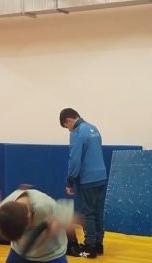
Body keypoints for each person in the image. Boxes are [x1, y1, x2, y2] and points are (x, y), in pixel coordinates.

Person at [0, 188, 74, 263]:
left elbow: (73, 219)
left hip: (51, 256)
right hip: (19, 253)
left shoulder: (46, 206)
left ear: (29, 217)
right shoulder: (5, 210)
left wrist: (59, 224)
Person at [59, 108, 106, 259]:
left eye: (66, 126)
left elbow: (74, 160)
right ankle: (98, 245)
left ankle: (90, 247)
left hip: (88, 179)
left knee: (88, 213)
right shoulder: (94, 129)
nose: (68, 130)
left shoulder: (77, 132)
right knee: (98, 212)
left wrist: (70, 181)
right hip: (101, 176)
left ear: (68, 120)